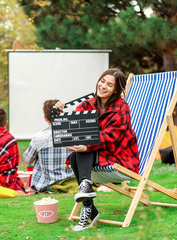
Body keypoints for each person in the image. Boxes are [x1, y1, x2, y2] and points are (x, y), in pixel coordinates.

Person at [54, 68, 140, 231]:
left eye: (109, 84)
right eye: (102, 81)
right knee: (76, 155)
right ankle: (87, 197)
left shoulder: (122, 107)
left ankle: (89, 209)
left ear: (116, 90)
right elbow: (73, 128)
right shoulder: (87, 104)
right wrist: (59, 112)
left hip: (120, 157)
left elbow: (111, 136)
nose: (103, 86)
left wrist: (86, 144)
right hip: (98, 154)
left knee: (82, 150)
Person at [23, 99, 75, 192]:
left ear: (45, 118)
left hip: (47, 185)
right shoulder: (75, 135)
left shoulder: (39, 138)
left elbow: (27, 160)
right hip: (72, 182)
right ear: (62, 113)